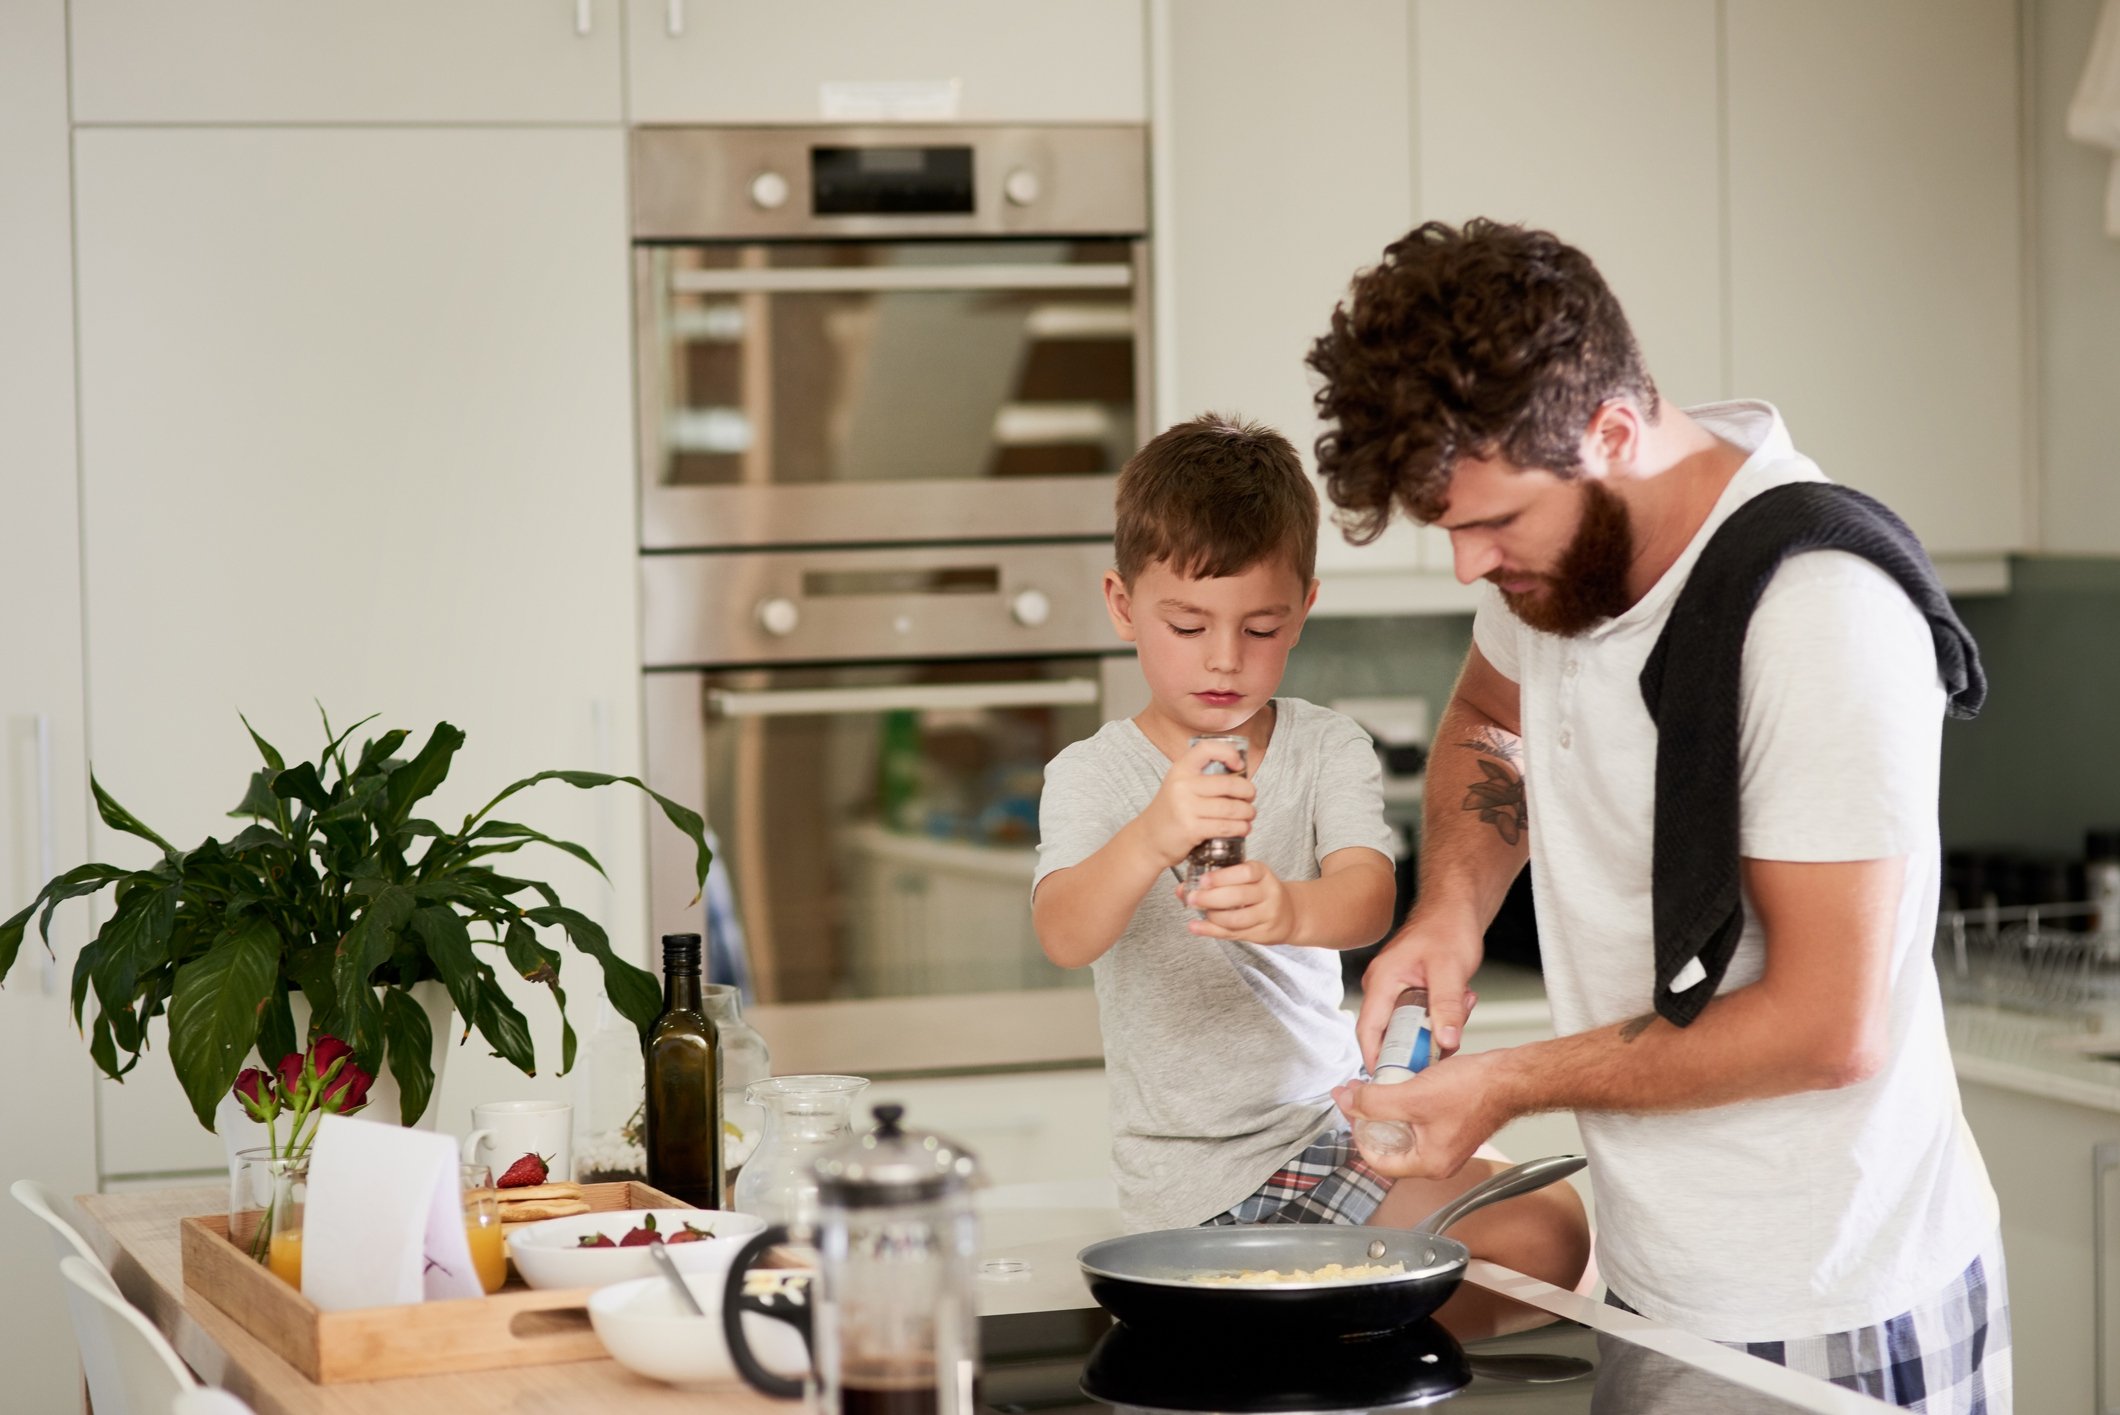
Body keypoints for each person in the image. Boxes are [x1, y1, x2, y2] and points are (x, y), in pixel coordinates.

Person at [1309, 219, 2008, 1410]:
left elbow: (1823, 1025)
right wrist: (1448, 910)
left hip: (1824, 1301)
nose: (1468, 568)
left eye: (1491, 525)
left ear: (1613, 433)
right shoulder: (1565, 558)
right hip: (1654, 1276)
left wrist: (1502, 1082)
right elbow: (1489, 718)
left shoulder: (1813, 608)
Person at [1031, 413, 1590, 1299]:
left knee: (1549, 1230)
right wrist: (1152, 833)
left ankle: (1354, 1369)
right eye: (1187, 625)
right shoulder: (1091, 774)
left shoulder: (1327, 745)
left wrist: (1292, 910)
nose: (1224, 659)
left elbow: (1368, 897)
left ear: (1305, 612)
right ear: (1122, 604)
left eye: (1261, 627)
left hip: (1328, 1124)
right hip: (1194, 1186)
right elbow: (1064, 932)